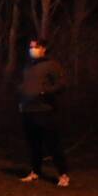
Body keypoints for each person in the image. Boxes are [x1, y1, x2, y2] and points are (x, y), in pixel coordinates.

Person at [18, 38, 68, 187]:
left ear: (43, 48)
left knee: (53, 144)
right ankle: (35, 172)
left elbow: (61, 84)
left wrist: (44, 92)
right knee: (33, 144)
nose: (31, 49)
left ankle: (63, 175)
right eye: (30, 46)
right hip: (28, 110)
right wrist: (21, 96)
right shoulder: (28, 67)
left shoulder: (52, 65)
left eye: (35, 46)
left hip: (45, 110)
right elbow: (25, 85)